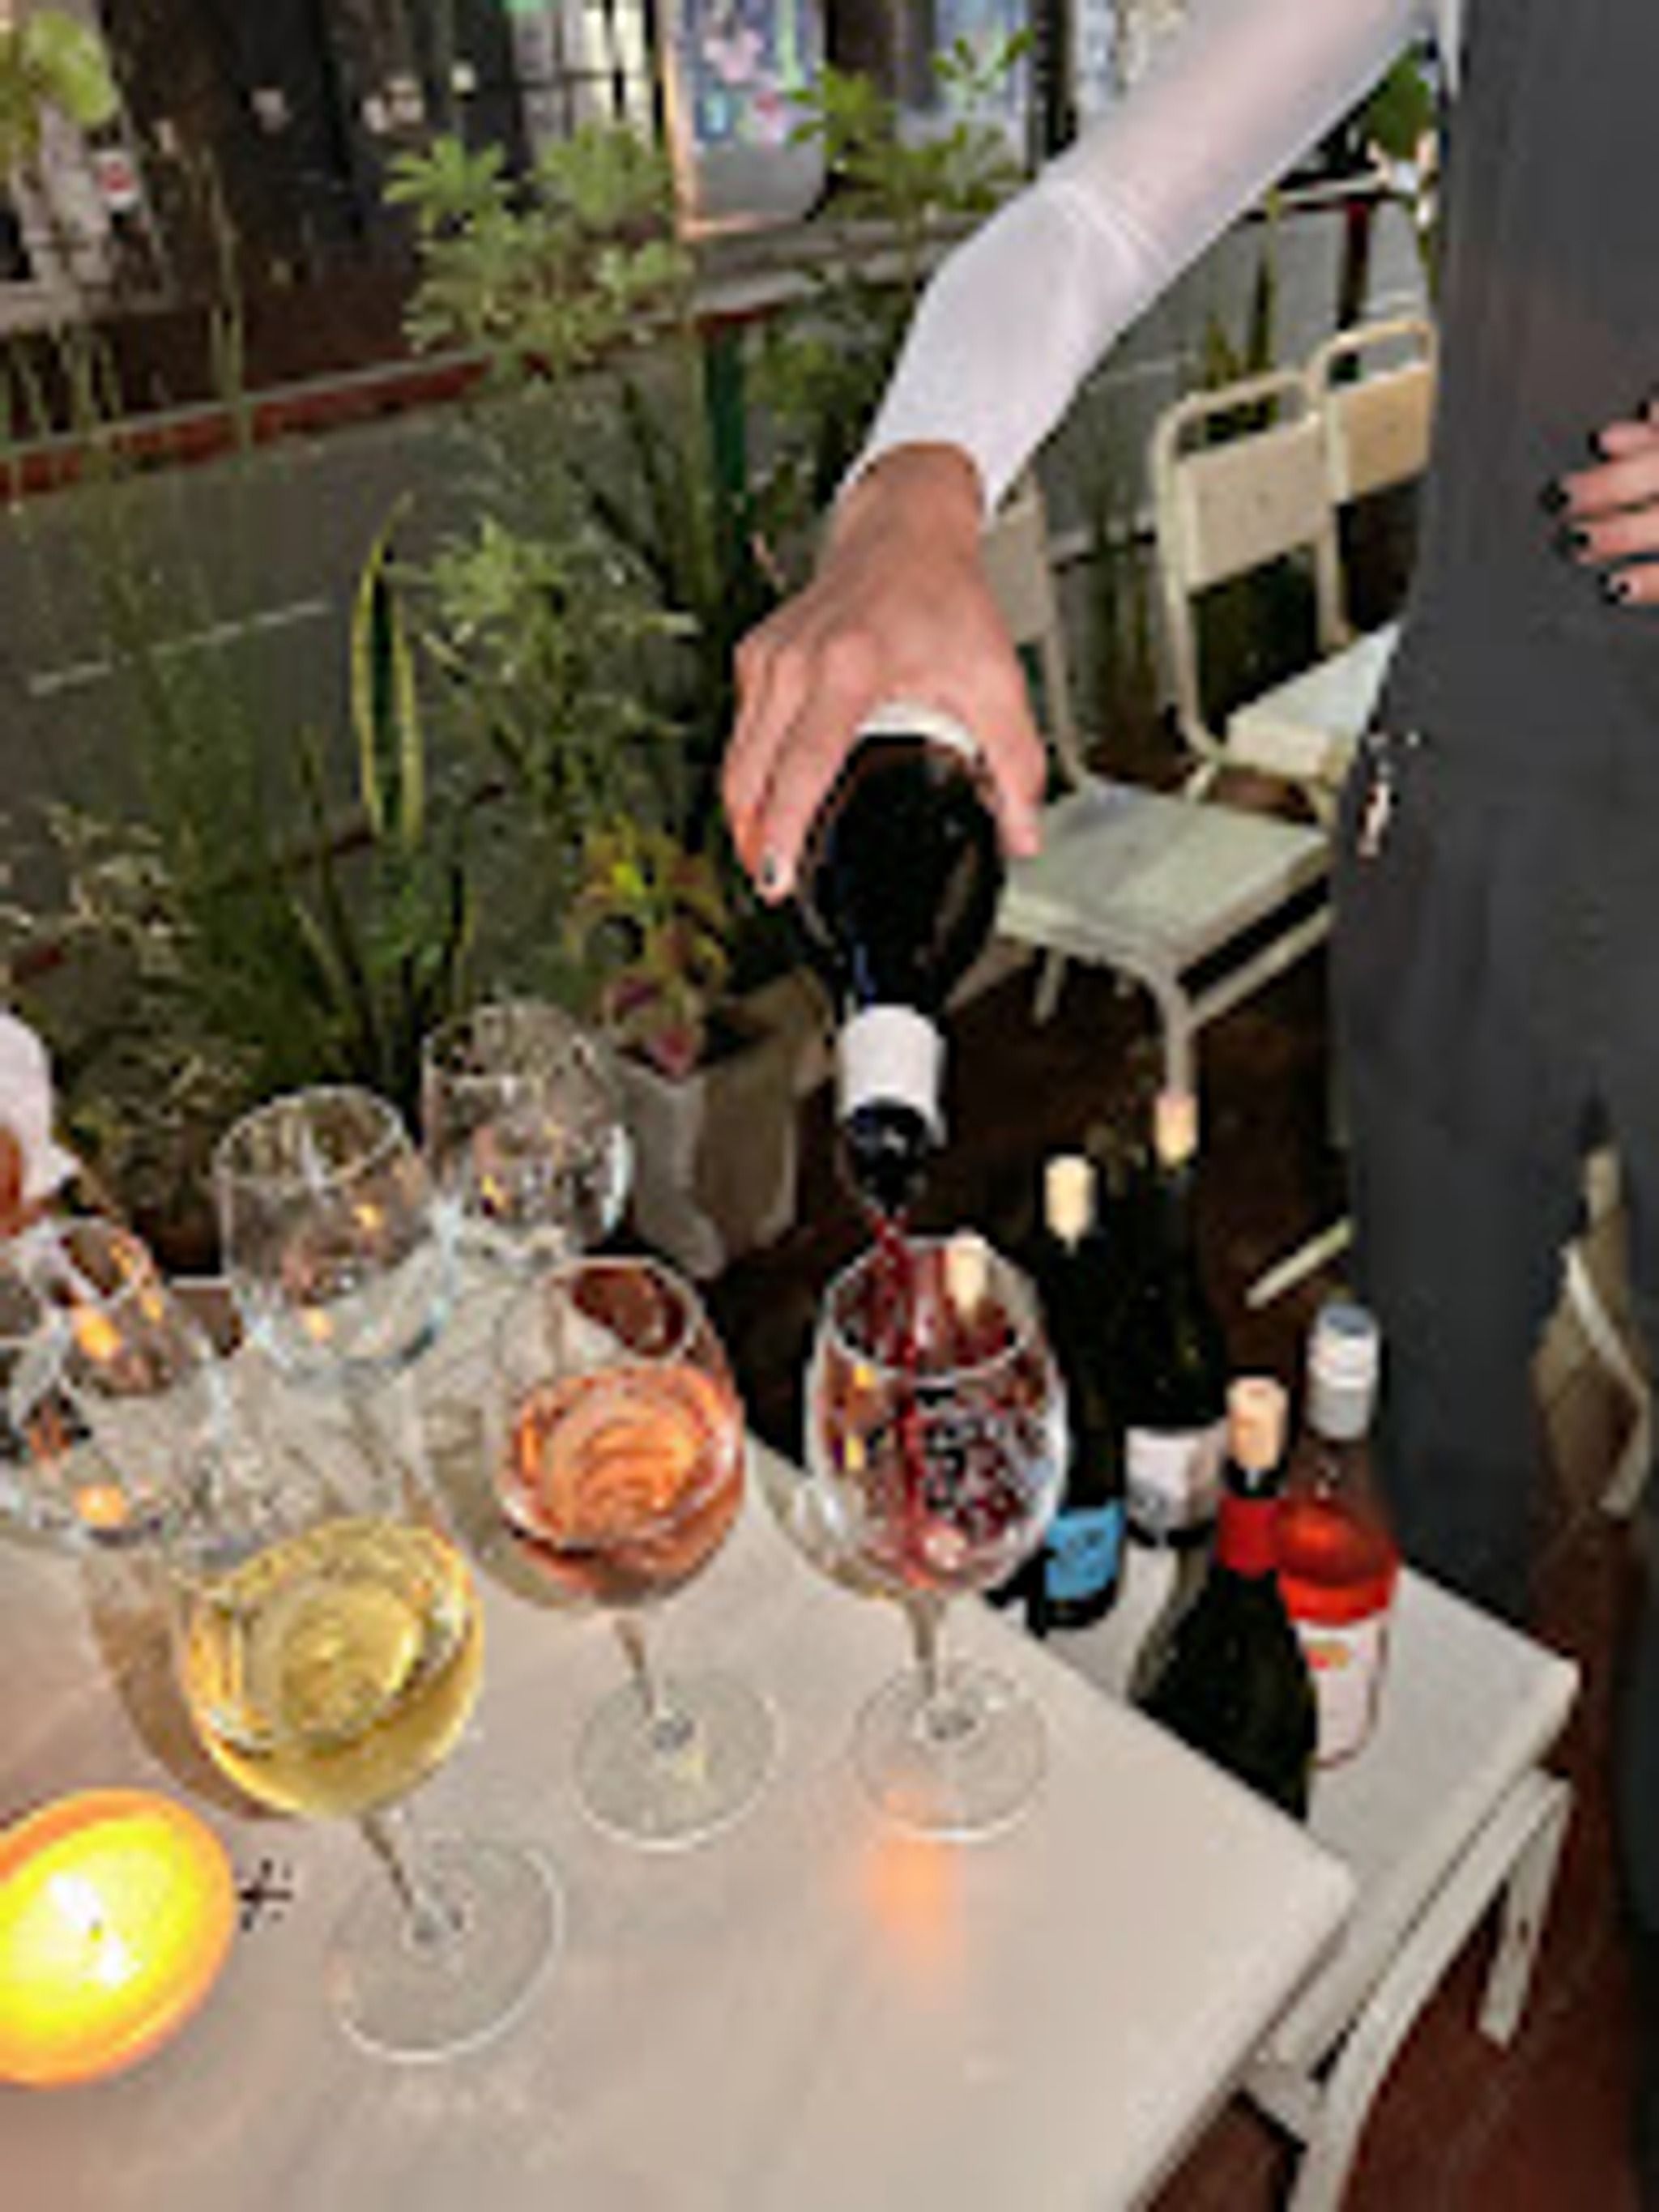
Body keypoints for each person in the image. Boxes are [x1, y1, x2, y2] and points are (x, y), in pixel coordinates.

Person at [722, 0, 1659, 2190]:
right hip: (1478, 807)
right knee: (1423, 1399)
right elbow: (1091, 220)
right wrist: (915, 492)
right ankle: (1430, 1829)